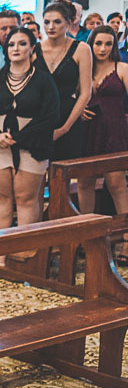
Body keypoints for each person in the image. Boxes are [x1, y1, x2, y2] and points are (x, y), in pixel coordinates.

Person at [0, 27, 59, 264]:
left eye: (22, 44)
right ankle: (1, 256)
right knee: (1, 198)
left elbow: (51, 116)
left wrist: (19, 138)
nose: (16, 48)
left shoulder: (43, 80)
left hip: (31, 145)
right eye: (11, 44)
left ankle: (24, 255)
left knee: (26, 199)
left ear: (32, 48)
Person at [79, 26, 128, 244]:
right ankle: (86, 236)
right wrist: (79, 112)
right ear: (91, 44)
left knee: (116, 184)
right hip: (87, 130)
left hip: (114, 131)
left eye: (108, 44)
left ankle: (126, 238)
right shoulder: (82, 69)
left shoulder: (122, 68)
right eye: (98, 43)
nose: (103, 48)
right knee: (84, 183)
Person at [37, 0, 93, 164]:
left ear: (68, 23)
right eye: (46, 22)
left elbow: (85, 93)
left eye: (57, 22)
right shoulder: (35, 49)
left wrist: (65, 128)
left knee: (67, 172)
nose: (51, 27)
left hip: (68, 115)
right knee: (36, 172)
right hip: (40, 116)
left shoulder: (82, 49)